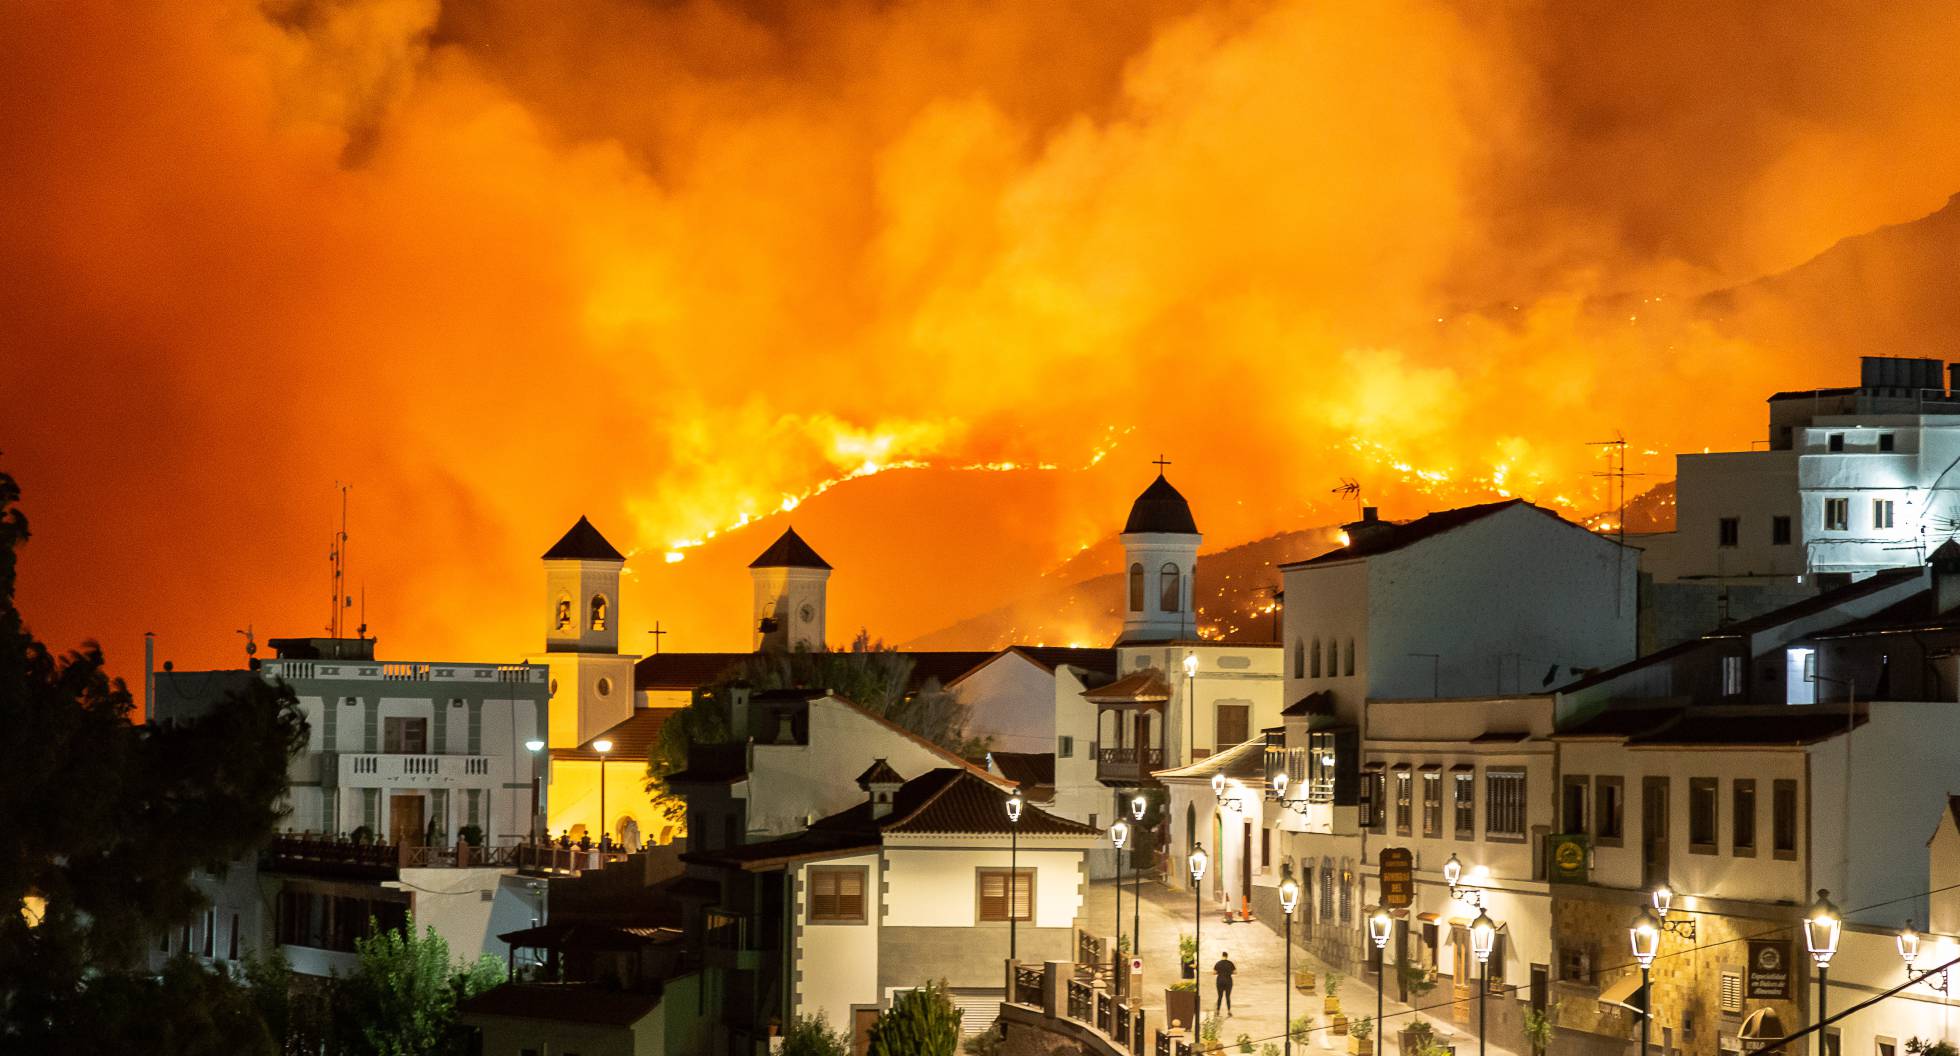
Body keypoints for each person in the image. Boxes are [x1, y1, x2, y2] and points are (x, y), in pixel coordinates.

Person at [1214, 951, 1236, 1015]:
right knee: (1228, 996)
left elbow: (1214, 972)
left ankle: (1218, 1011)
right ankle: (1229, 1011)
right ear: (1227, 956)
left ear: (1222, 956)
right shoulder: (1230, 963)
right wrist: (1229, 972)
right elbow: (1235, 972)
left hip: (1220, 981)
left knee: (1220, 996)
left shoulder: (1218, 963)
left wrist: (1219, 972)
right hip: (1228, 981)